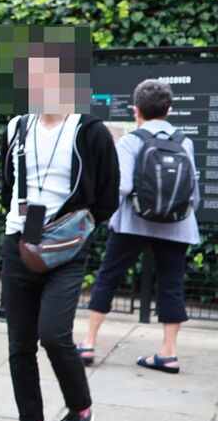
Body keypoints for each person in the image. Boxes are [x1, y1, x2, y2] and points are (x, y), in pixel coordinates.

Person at [0, 45, 118, 421]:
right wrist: (20, 227)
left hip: (66, 250)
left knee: (53, 335)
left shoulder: (89, 130)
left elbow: (107, 195)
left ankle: (80, 410)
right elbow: (7, 183)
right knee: (20, 343)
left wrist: (73, 231)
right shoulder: (16, 127)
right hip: (18, 243)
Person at [80, 80, 200, 373]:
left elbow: (121, 188)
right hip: (177, 225)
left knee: (108, 277)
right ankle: (169, 353)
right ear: (169, 110)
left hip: (132, 223)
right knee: (171, 284)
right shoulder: (185, 142)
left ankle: (88, 343)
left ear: (136, 111)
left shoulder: (131, 141)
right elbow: (193, 194)